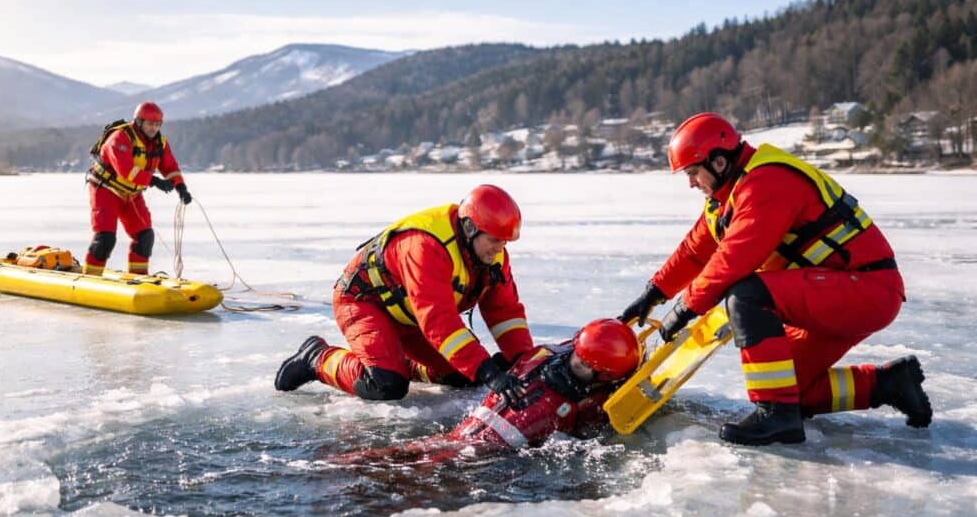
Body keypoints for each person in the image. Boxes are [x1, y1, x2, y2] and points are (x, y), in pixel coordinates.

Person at [619, 112, 931, 446]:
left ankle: (775, 415)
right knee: (792, 388)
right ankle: (890, 384)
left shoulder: (768, 181)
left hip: (866, 290)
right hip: (830, 291)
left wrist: (685, 309)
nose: (692, 183)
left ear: (719, 162)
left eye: (694, 173)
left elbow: (735, 258)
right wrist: (654, 293)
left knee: (746, 295)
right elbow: (696, 251)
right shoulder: (727, 198)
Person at [275, 184, 534, 403]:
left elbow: (505, 312)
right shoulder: (426, 247)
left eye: (505, 242)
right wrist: (489, 371)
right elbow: (439, 322)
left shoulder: (493, 255)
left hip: (410, 315)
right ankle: (317, 358)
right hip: (364, 302)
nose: (500, 249)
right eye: (494, 240)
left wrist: (524, 359)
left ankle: (399, 363)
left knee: (465, 375)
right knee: (386, 385)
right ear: (469, 228)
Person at [333, 318, 644, 464]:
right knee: (440, 457)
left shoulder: (551, 352)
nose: (575, 362)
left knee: (431, 448)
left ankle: (346, 462)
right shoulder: (573, 395)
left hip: (473, 434)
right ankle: (349, 463)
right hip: (487, 447)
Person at [83, 101, 193, 276]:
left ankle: (138, 279)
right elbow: (126, 170)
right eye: (151, 124)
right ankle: (89, 278)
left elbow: (170, 167)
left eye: (158, 124)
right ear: (139, 122)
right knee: (105, 239)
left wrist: (181, 188)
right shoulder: (120, 138)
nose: (154, 128)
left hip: (132, 194)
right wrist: (155, 181)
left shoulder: (159, 143)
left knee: (145, 236)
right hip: (106, 189)